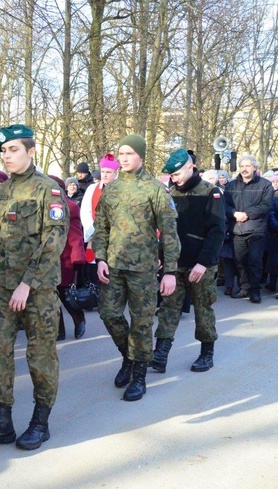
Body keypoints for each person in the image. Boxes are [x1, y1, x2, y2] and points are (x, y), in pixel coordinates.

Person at [0, 124, 68, 452]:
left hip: (36, 291)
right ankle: (2, 423)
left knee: (40, 354)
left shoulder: (48, 190)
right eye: (3, 151)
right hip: (0, 287)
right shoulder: (2, 192)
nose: (7, 156)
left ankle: (40, 423)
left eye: (13, 149)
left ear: (31, 151)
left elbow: (53, 241)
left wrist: (27, 284)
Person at [94, 134, 180, 401]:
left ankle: (139, 375)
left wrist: (170, 272)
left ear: (141, 156)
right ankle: (129, 358)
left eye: (129, 153)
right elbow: (101, 227)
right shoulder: (112, 189)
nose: (124, 158)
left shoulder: (155, 189)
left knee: (141, 323)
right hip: (115, 266)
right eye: (121, 153)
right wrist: (100, 258)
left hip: (143, 268)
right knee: (109, 314)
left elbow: (169, 232)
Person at [152, 149, 225, 373]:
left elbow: (217, 231)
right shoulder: (170, 193)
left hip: (202, 266)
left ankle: (206, 353)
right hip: (175, 265)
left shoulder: (210, 192)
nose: (174, 179)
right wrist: (161, 257)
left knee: (203, 310)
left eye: (177, 174)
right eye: (171, 176)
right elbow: (164, 231)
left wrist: (203, 263)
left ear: (190, 167)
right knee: (168, 308)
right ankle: (160, 354)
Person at [224, 154, 273, 303]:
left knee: (254, 261)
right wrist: (234, 213)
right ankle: (244, 287)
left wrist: (247, 214)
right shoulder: (231, 186)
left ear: (254, 168)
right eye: (242, 166)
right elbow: (224, 205)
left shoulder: (265, 185)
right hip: (237, 229)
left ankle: (255, 290)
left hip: (256, 230)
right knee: (239, 261)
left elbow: (266, 205)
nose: (244, 169)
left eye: (248, 166)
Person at [49, 175, 86, 341]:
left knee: (64, 294)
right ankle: (59, 331)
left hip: (65, 259)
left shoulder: (69, 207)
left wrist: (77, 259)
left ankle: (79, 319)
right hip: (47, 259)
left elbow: (76, 235)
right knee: (51, 296)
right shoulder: (42, 206)